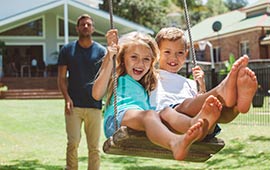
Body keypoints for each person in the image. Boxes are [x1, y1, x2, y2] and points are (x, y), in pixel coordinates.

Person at [92, 30, 222, 161]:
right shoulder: (119, 76)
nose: (140, 63)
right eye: (134, 57)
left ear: (152, 62)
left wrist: (201, 86)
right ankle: (175, 142)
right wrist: (110, 56)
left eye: (146, 59)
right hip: (116, 120)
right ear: (123, 58)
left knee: (166, 112)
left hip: (141, 120)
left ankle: (193, 125)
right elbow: (97, 94)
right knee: (150, 115)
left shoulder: (149, 81)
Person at [150, 27, 258, 138]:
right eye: (167, 52)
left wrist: (201, 87)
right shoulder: (151, 76)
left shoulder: (190, 83)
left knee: (216, 108)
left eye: (180, 53)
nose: (174, 57)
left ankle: (238, 105)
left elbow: (200, 103)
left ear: (186, 54)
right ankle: (221, 91)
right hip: (170, 122)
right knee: (185, 105)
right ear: (156, 53)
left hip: (201, 127)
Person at [57, 14, 107, 170]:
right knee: (73, 142)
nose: (85, 26)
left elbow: (106, 77)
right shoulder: (67, 50)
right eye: (82, 24)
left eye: (88, 24)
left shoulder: (101, 51)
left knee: (94, 147)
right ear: (77, 28)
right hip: (74, 105)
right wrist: (66, 99)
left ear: (93, 28)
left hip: (94, 105)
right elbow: (61, 78)